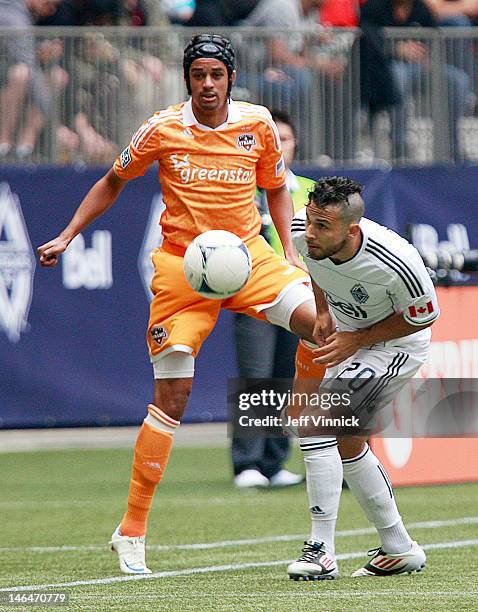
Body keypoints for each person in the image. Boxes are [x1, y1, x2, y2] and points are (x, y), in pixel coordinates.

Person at [37, 34, 323, 575]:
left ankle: (332, 462)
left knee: (321, 329)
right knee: (173, 395)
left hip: (250, 260)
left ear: (230, 77)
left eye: (216, 74)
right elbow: (112, 180)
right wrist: (69, 233)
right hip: (181, 270)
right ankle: (132, 530)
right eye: (198, 76)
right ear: (187, 79)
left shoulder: (258, 124)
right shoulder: (162, 127)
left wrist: (290, 251)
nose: (208, 84)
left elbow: (278, 187)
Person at [286, 176, 439, 579]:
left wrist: (360, 339)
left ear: (351, 230)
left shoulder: (397, 260)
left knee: (318, 422)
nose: (311, 232)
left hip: (395, 345)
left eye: (324, 226)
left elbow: (423, 316)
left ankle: (321, 550)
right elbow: (316, 268)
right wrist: (322, 312)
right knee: (349, 443)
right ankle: (399, 548)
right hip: (350, 336)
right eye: (311, 219)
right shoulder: (304, 231)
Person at [232, 110, 313, 489]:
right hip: (254, 296)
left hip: (299, 296)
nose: (280, 145)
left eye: (287, 139)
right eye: (273, 138)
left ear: (296, 145)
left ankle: (274, 461)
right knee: (256, 376)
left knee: (287, 377)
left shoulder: (311, 191)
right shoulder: (242, 189)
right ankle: (246, 463)